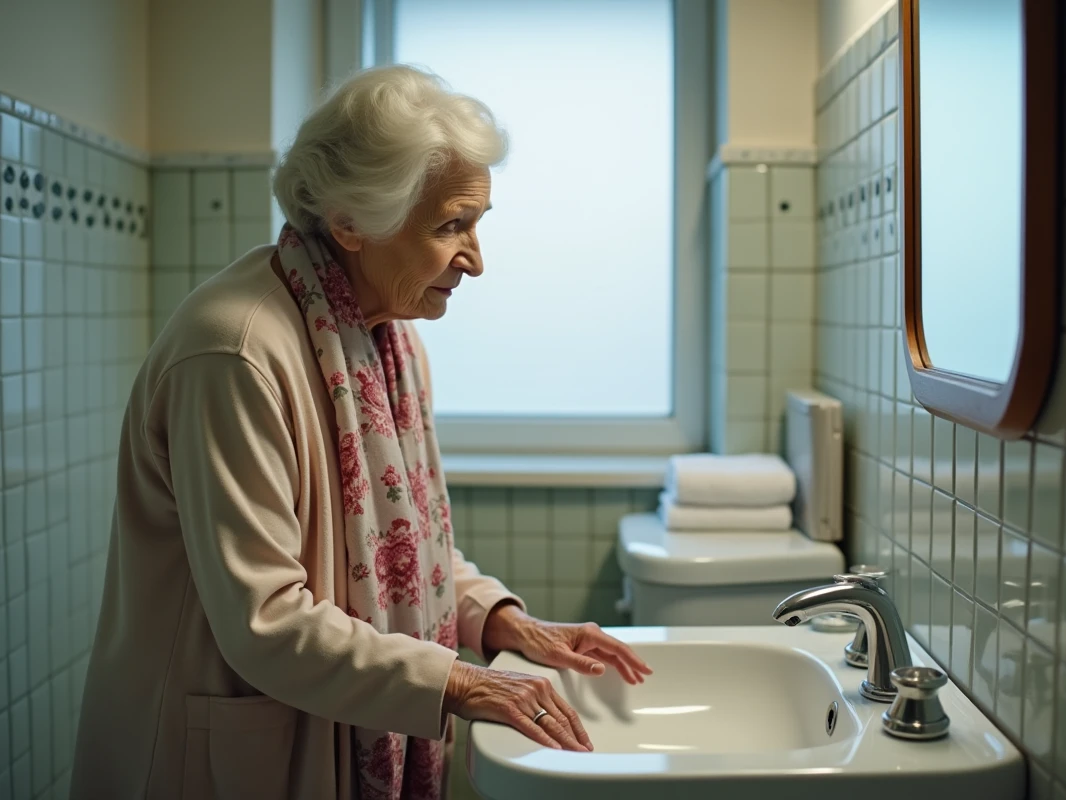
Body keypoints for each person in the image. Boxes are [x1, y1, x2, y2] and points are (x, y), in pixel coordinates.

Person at [70, 64, 651, 800]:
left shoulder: (384, 339)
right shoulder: (235, 353)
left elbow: (404, 551)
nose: (476, 258)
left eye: (477, 222)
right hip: (217, 755)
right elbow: (268, 619)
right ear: (351, 222)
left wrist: (503, 623)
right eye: (449, 226)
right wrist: (459, 683)